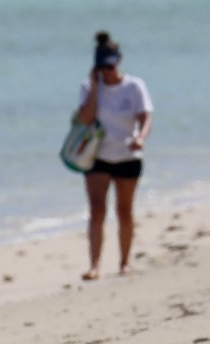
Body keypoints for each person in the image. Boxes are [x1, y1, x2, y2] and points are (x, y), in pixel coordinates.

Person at [76, 31, 153, 281]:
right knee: (97, 210)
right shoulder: (89, 87)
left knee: (124, 210)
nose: (107, 72)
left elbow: (145, 117)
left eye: (110, 66)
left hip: (128, 155)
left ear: (118, 61)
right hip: (97, 156)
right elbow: (85, 118)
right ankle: (94, 265)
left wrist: (141, 137)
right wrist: (94, 88)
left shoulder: (134, 86)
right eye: (102, 67)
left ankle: (124, 262)